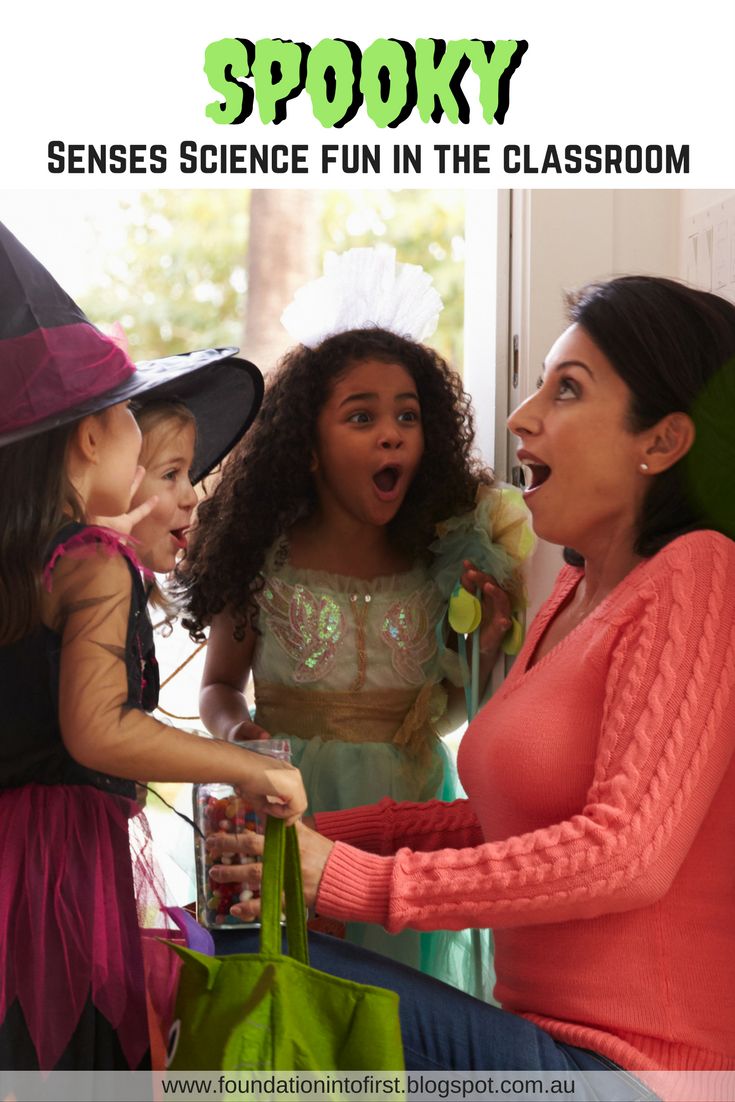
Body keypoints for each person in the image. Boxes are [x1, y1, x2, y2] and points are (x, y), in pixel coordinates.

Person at [210, 275, 735, 1089]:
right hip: (540, 1036)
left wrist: (353, 877)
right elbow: (509, 823)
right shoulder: (574, 585)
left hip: (637, 1071)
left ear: (662, 442)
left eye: (566, 390)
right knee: (228, 946)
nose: (522, 417)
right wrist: (324, 836)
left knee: (249, 962)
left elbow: (624, 853)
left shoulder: (699, 572)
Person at [179, 247, 533, 994]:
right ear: (306, 447)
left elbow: (445, 713)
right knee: (292, 1004)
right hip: (285, 802)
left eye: (407, 415)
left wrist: (485, 651)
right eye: (361, 416)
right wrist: (241, 740)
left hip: (408, 819)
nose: (390, 433)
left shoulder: (437, 561)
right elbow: (216, 688)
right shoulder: (265, 556)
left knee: (399, 1013)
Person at [0, 223, 307, 1071]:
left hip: (10, 865)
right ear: (92, 438)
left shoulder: (30, 565)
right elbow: (96, 730)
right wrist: (247, 766)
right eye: (135, 431)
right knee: (81, 1060)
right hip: (57, 873)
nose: (183, 485)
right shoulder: (93, 565)